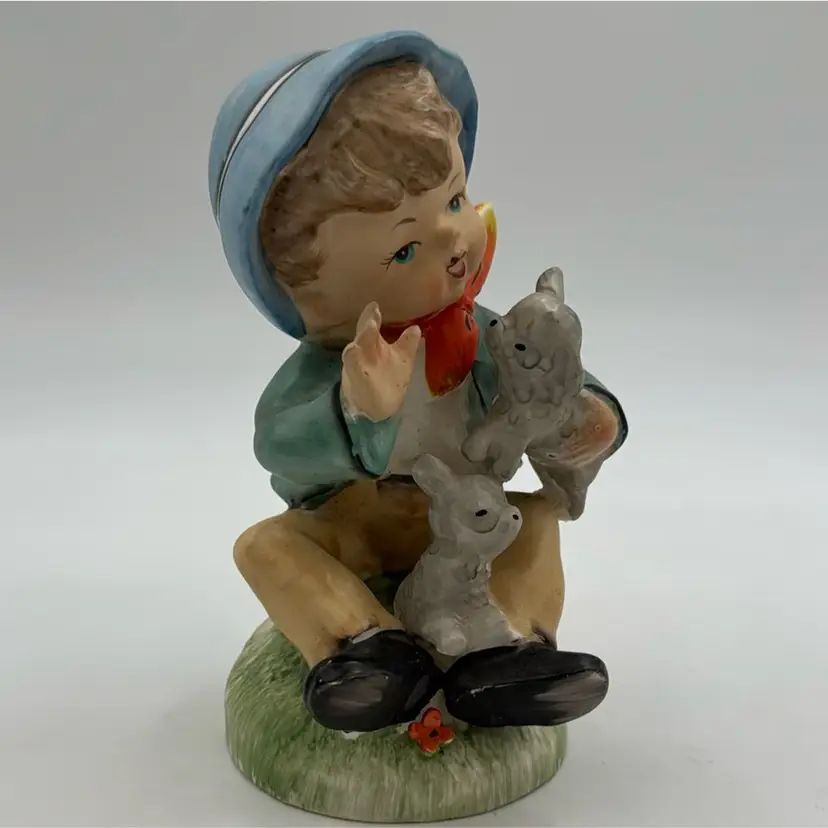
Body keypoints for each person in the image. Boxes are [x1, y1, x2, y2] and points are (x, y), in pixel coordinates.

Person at [208, 31, 628, 734]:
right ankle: (366, 652)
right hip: (358, 524)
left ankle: (512, 653)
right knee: (265, 546)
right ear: (307, 295)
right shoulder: (340, 363)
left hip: (474, 521)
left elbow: (552, 379)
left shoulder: (489, 333)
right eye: (405, 248)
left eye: (455, 202)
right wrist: (356, 408)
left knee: (537, 521)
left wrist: (586, 421)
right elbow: (277, 444)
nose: (454, 242)